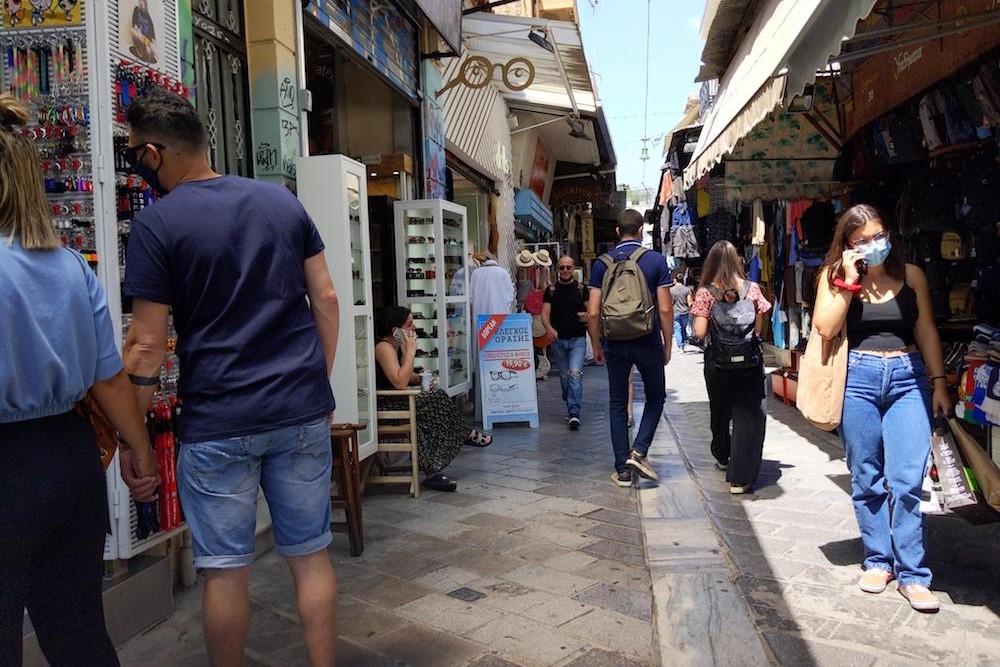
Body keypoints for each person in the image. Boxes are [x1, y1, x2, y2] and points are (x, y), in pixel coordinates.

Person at [120, 89, 341, 666]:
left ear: (152, 154)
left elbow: (145, 346)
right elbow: (327, 297)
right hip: (299, 410)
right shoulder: (281, 203)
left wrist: (133, 441)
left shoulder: (157, 224)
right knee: (312, 557)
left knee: (224, 573)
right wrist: (317, 383)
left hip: (217, 421)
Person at [0, 93, 158, 666]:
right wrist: (140, 454)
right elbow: (109, 380)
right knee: (78, 633)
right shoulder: (69, 266)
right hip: (69, 463)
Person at [812, 204, 948, 613]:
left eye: (879, 236)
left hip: (909, 378)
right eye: (864, 240)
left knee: (907, 480)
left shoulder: (912, 276)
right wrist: (850, 282)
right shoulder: (834, 278)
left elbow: (925, 328)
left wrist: (939, 382)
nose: (875, 245)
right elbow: (825, 327)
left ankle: (913, 574)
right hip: (858, 380)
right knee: (867, 476)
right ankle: (877, 559)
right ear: (848, 245)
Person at [588, 209, 674, 487]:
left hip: (614, 340)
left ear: (617, 231)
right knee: (656, 396)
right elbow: (664, 308)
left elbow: (592, 312)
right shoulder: (655, 261)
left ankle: (622, 470)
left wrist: (596, 344)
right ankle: (639, 451)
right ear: (641, 231)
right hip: (647, 339)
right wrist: (668, 343)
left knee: (616, 402)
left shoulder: (601, 264)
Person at [375, 306, 493, 492]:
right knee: (436, 400)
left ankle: (434, 470)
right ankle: (462, 435)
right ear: (395, 330)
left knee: (431, 408)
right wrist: (411, 352)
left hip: (402, 400)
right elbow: (399, 382)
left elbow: (405, 377)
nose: (414, 328)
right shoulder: (384, 347)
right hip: (388, 403)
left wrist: (420, 377)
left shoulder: (397, 347)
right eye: (409, 324)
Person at [691, 241, 772, 495]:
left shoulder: (705, 292)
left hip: (718, 362)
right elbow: (758, 330)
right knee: (747, 414)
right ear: (737, 262)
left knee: (720, 410)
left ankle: (722, 453)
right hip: (748, 362)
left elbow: (700, 332)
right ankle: (741, 474)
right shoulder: (752, 289)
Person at [542, 255, 589, 429]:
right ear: (557, 269)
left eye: (568, 267)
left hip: (578, 338)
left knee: (575, 374)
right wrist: (549, 328)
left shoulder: (581, 288)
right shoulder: (551, 290)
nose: (565, 271)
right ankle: (570, 400)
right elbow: (545, 313)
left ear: (574, 268)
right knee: (564, 378)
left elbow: (591, 310)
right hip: (558, 340)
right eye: (562, 267)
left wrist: (587, 316)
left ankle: (574, 412)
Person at [469, 250, 515, 318]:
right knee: (499, 328)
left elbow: (470, 296)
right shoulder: (503, 272)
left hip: (480, 314)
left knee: (482, 328)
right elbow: (511, 295)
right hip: (500, 314)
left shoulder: (476, 273)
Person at [669, 271, 694, 352]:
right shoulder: (687, 290)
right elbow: (690, 302)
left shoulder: (671, 290)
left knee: (677, 328)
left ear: (675, 280)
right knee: (683, 328)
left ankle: (680, 346)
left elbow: (669, 302)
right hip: (685, 312)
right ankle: (683, 343)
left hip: (675, 312)